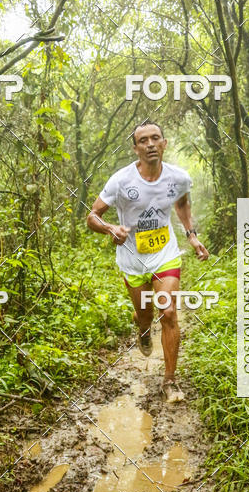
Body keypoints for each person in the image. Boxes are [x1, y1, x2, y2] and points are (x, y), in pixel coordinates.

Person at [86, 121, 209, 402]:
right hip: (132, 259)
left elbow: (181, 204)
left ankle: (170, 381)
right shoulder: (121, 181)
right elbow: (92, 215)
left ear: (164, 144)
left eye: (156, 138)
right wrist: (110, 229)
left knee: (167, 312)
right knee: (146, 315)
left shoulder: (178, 178)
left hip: (165, 254)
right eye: (144, 140)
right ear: (136, 148)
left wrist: (191, 236)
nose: (150, 144)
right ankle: (142, 329)